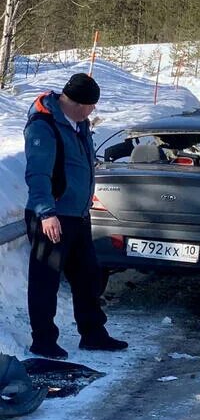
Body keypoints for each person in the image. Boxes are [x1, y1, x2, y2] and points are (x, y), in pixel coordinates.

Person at [24, 73, 128, 360]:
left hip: (77, 216)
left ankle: (93, 334)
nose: (93, 111)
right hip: (51, 216)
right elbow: (38, 174)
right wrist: (46, 213)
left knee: (87, 276)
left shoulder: (79, 124)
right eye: (92, 105)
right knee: (46, 281)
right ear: (80, 104)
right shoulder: (44, 127)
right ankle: (43, 340)